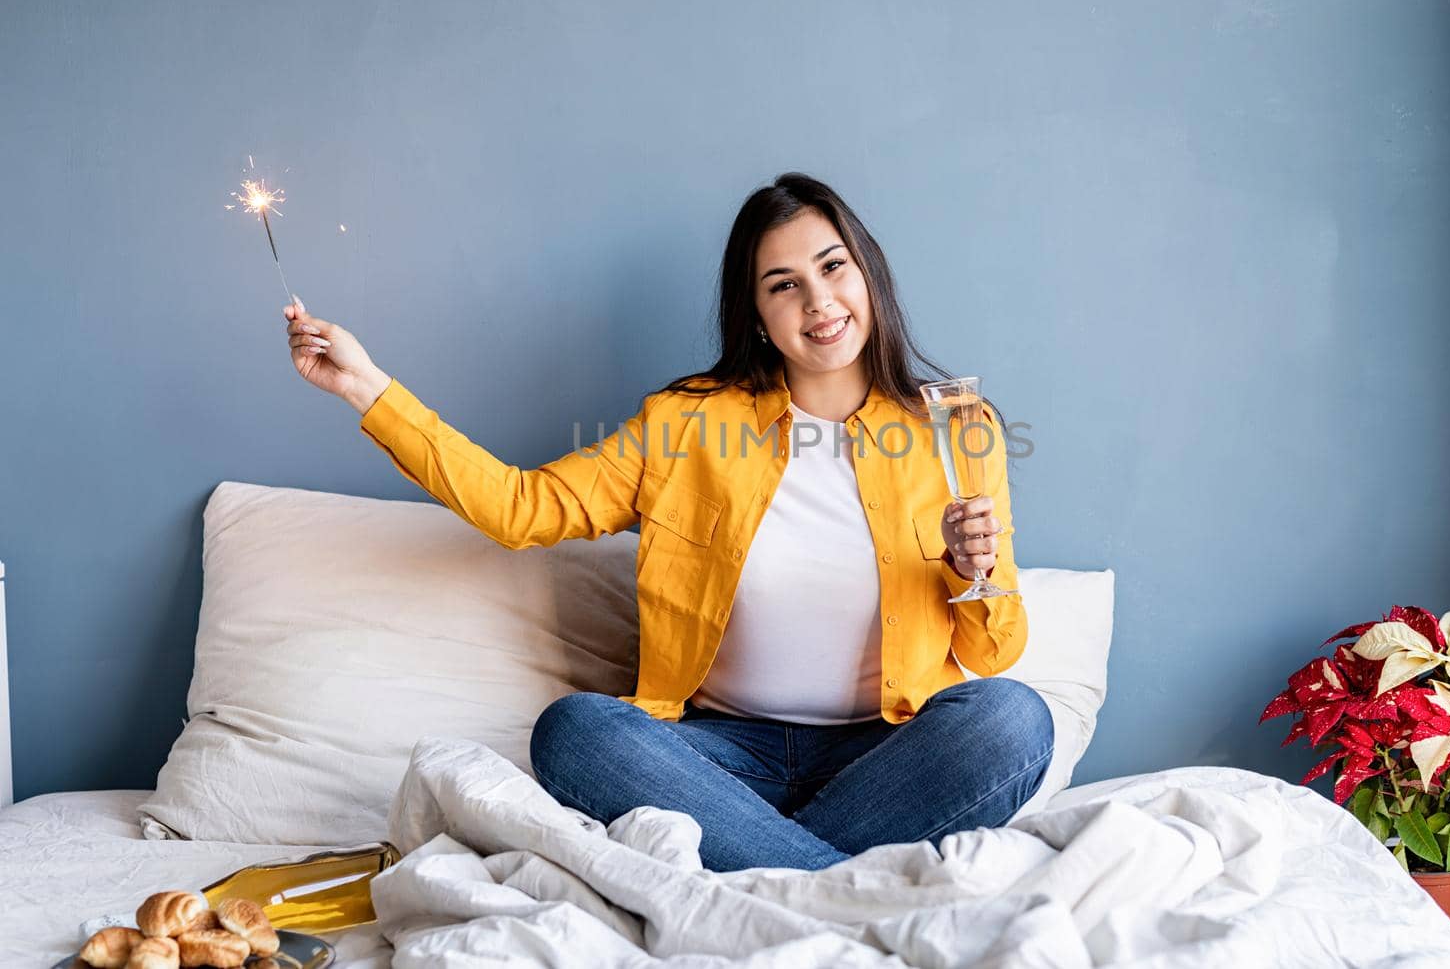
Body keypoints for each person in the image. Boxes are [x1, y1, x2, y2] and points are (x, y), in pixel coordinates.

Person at [283, 171, 1052, 872]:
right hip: (715, 757)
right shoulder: (683, 424)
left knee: (1012, 720)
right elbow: (521, 508)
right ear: (756, 315)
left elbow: (994, 651)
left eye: (832, 267)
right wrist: (369, 389)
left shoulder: (955, 426)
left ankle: (762, 877)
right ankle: (825, 887)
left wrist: (969, 570)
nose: (818, 302)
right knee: (575, 731)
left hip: (882, 756)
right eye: (782, 285)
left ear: (867, 276)